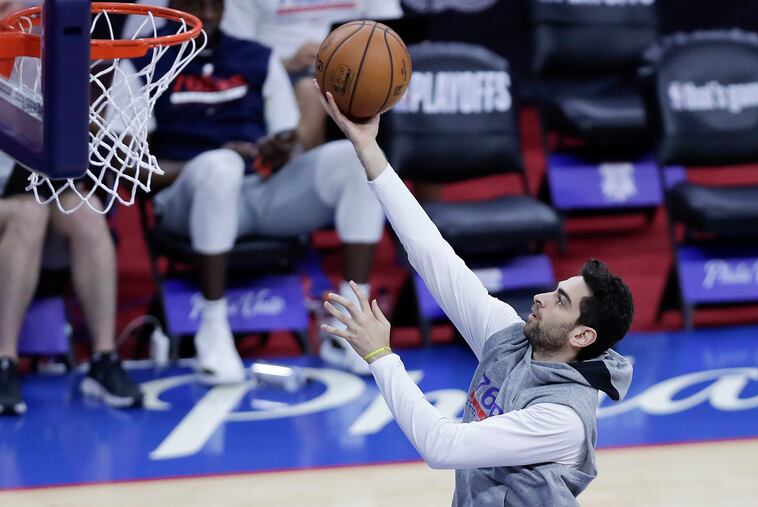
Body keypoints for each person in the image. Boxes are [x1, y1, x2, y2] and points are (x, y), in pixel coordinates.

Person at [315, 82, 635, 506]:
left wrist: (381, 357)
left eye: (560, 301)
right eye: (554, 290)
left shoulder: (562, 418)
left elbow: (442, 446)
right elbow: (433, 255)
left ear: (582, 337)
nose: (540, 297)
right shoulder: (511, 336)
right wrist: (368, 150)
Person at [127, 0, 385, 383]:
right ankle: (212, 329)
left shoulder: (256, 57)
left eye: (214, 5)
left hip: (256, 192)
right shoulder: (142, 59)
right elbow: (132, 167)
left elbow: (288, 138)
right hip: (185, 195)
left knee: (355, 157)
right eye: (196, 5)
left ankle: (351, 327)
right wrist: (217, 156)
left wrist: (284, 149)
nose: (208, 15)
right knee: (220, 166)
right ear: (172, 4)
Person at [0, 160, 144, 415]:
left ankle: (104, 357)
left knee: (86, 211)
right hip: (15, 206)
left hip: (40, 195)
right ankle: (4, 359)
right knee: (29, 212)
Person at [220, 0, 403, 150]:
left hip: (358, 69)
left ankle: (396, 179)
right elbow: (236, 54)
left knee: (394, 82)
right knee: (310, 90)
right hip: (283, 70)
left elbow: (393, 33)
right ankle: (304, 176)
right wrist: (286, 63)